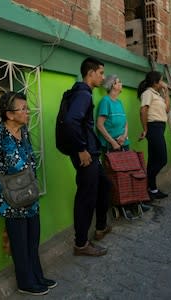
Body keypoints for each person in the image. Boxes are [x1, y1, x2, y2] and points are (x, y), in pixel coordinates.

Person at [0, 91, 56, 296]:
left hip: (28, 193)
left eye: (26, 108)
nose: (27, 112)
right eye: (22, 109)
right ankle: (25, 282)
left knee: (33, 238)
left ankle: (37, 276)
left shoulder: (23, 133)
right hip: (9, 197)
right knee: (19, 243)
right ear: (9, 114)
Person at [62, 57, 112, 256]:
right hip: (85, 154)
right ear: (90, 73)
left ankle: (100, 226)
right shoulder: (83, 94)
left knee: (105, 185)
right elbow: (71, 121)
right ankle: (81, 243)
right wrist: (81, 149)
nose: (103, 77)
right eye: (100, 73)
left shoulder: (82, 92)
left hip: (90, 151)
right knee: (86, 197)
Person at [96, 75, 151, 217]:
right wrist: (113, 142)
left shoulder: (119, 102)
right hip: (111, 147)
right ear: (112, 85)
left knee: (130, 175)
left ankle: (134, 202)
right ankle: (120, 204)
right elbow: (100, 125)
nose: (121, 84)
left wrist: (124, 136)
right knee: (117, 177)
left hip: (124, 144)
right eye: (118, 82)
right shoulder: (105, 101)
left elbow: (125, 123)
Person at [138, 71, 171, 200]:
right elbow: (143, 110)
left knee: (152, 161)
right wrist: (145, 129)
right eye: (161, 81)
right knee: (162, 159)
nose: (163, 83)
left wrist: (166, 92)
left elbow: (167, 109)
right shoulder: (147, 93)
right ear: (155, 82)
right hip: (153, 128)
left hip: (160, 127)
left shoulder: (157, 94)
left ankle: (152, 189)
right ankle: (147, 185)